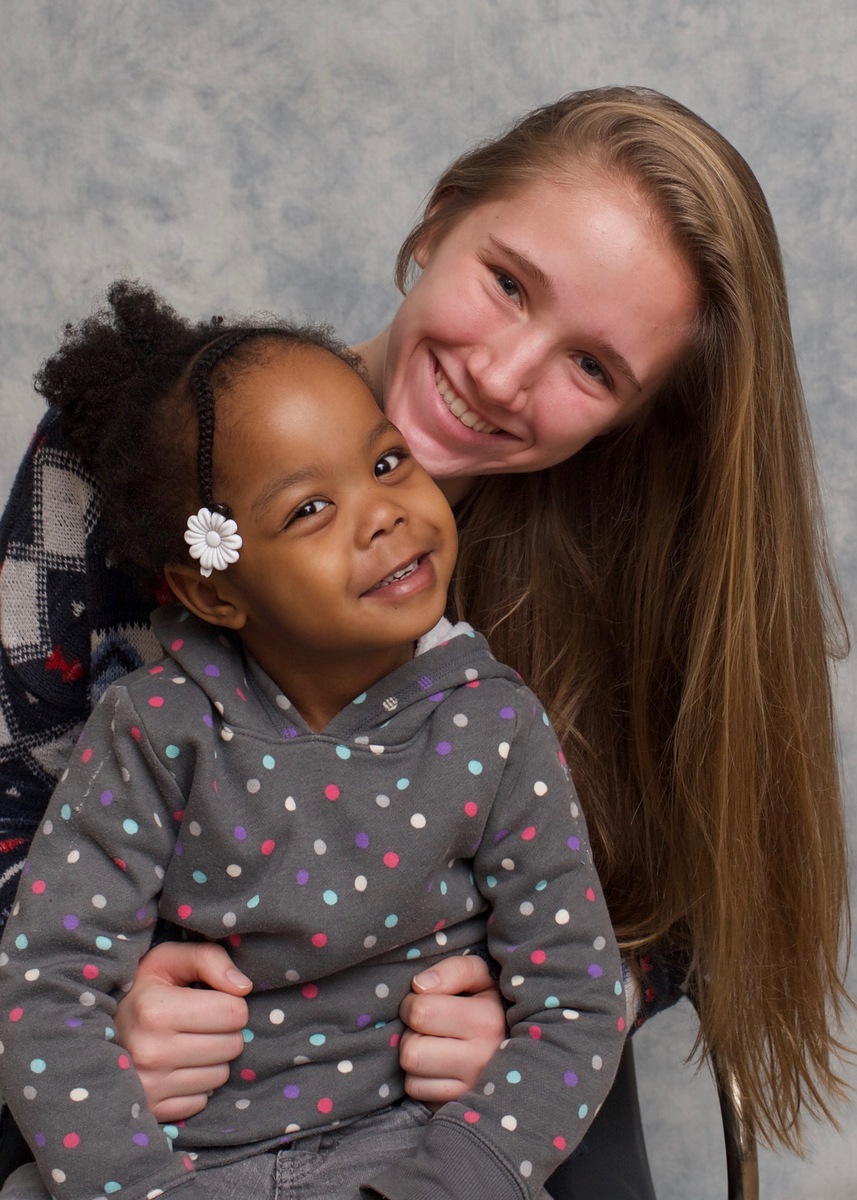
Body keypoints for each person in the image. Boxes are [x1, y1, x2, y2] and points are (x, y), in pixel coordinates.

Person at [0, 86, 849, 1179]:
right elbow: (12, 800)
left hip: (470, 1108)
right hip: (156, 1106)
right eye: (505, 284)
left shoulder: (622, 562)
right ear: (439, 218)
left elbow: (705, 889)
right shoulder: (141, 451)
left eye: (592, 368)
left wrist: (552, 1006)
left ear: (636, 419)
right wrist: (99, 1000)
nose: (499, 376)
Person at [0, 283, 625, 1200]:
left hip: (416, 1154)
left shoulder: (493, 724)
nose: (383, 513)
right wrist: (133, 1186)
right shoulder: (151, 730)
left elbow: (578, 1000)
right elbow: (47, 988)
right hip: (176, 1160)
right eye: (308, 510)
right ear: (214, 592)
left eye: (385, 463)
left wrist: (457, 1176)